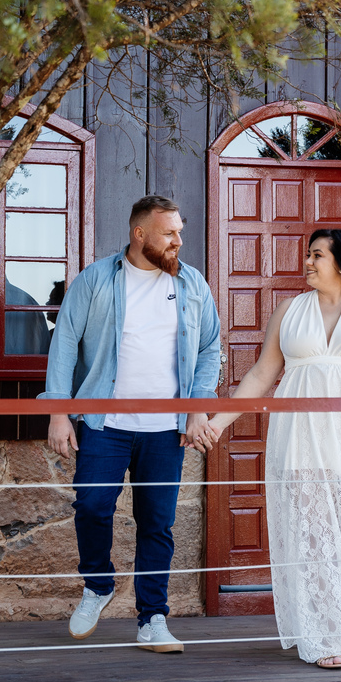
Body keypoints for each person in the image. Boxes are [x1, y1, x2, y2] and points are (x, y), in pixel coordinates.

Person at [199, 229, 341, 669]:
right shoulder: (290, 311)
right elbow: (261, 376)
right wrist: (217, 423)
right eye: (309, 255)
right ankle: (325, 635)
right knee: (312, 536)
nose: (308, 263)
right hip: (300, 436)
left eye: (317, 255)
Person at [40, 195, 222, 653]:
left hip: (166, 430)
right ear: (140, 234)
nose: (178, 241)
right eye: (169, 233)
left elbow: (209, 349)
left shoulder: (192, 283)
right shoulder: (97, 279)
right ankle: (98, 585)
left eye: (179, 231)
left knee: (157, 523)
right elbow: (64, 343)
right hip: (105, 424)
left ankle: (152, 619)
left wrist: (198, 408)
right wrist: (59, 412)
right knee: (92, 507)